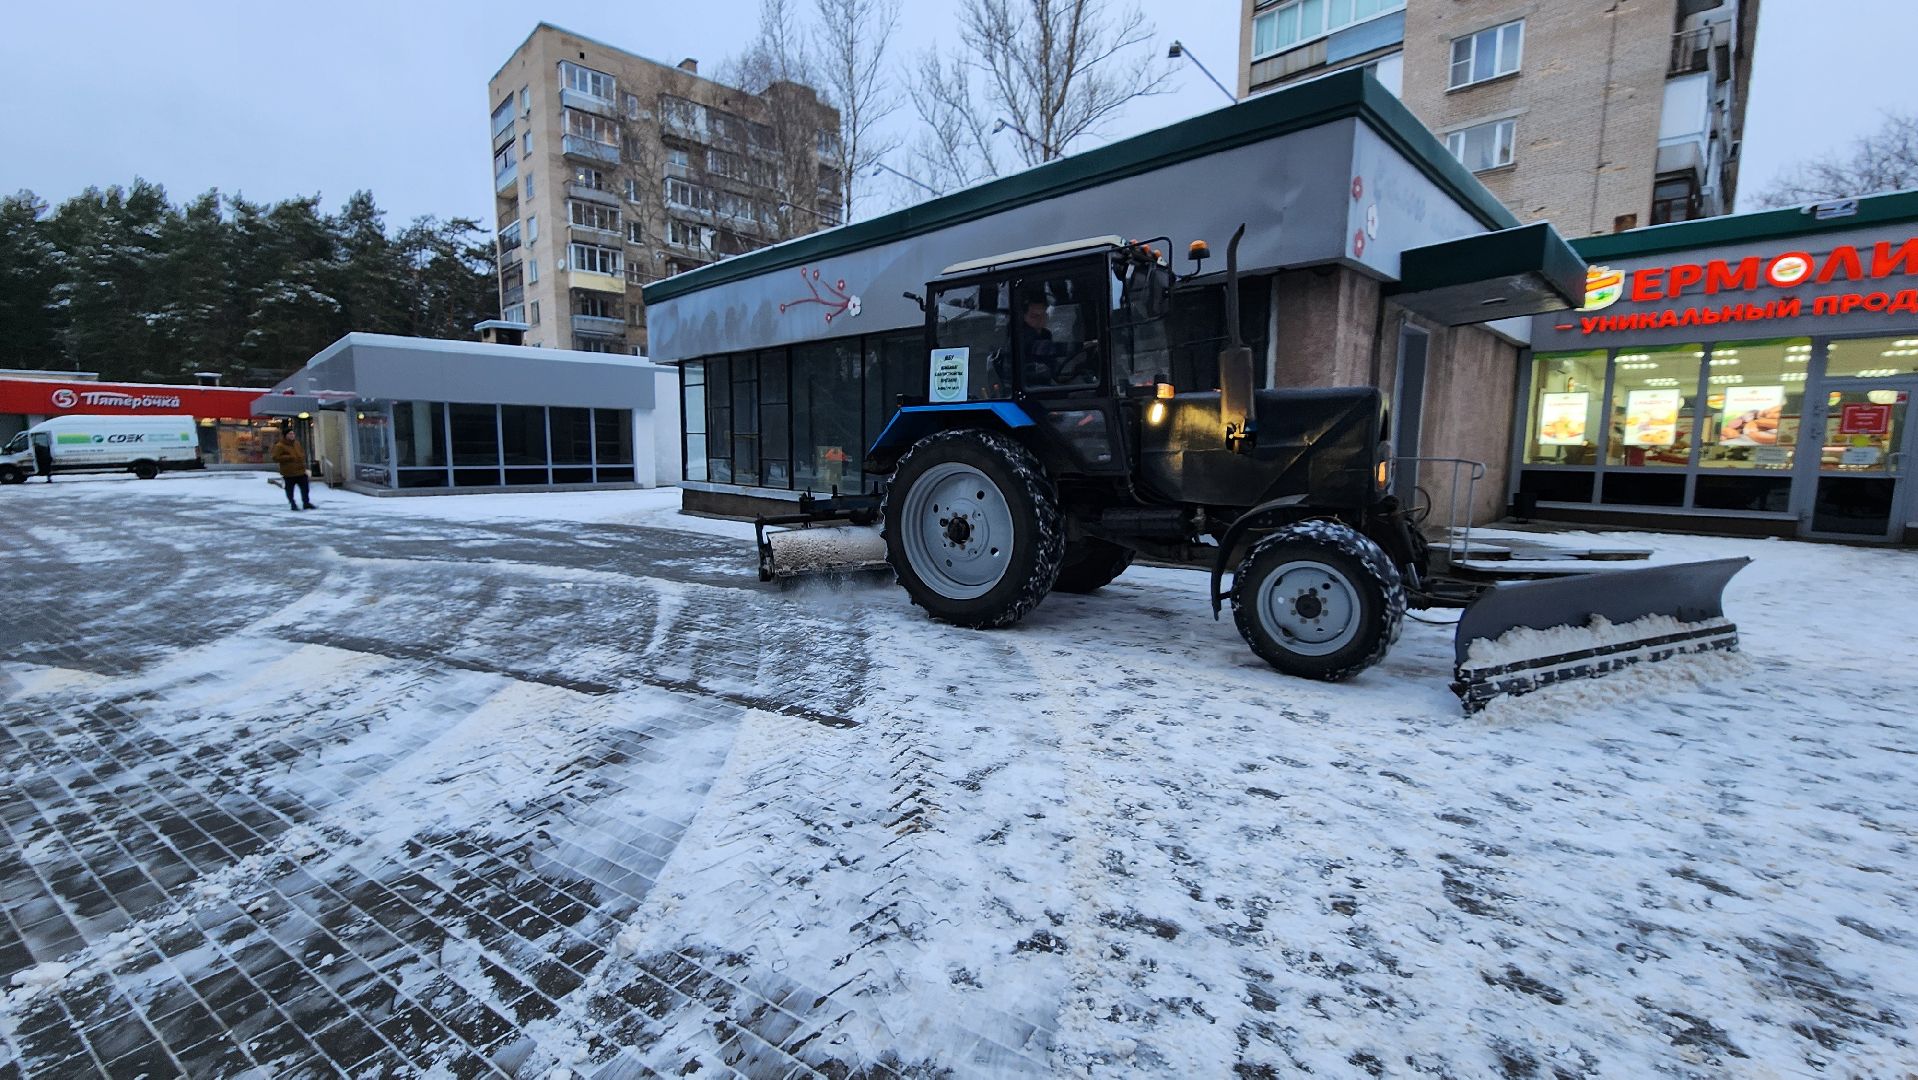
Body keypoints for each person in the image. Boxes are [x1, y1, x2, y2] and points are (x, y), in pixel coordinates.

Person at [271, 430, 316, 511]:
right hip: (289, 472)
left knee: (305, 488)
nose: (292, 435)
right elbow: (275, 457)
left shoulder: (296, 443)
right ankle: (292, 503)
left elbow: (301, 452)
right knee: (290, 490)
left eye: (293, 433)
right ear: (285, 435)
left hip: (300, 471)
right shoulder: (280, 446)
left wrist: (301, 457)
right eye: (290, 434)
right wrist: (289, 457)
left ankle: (306, 503)